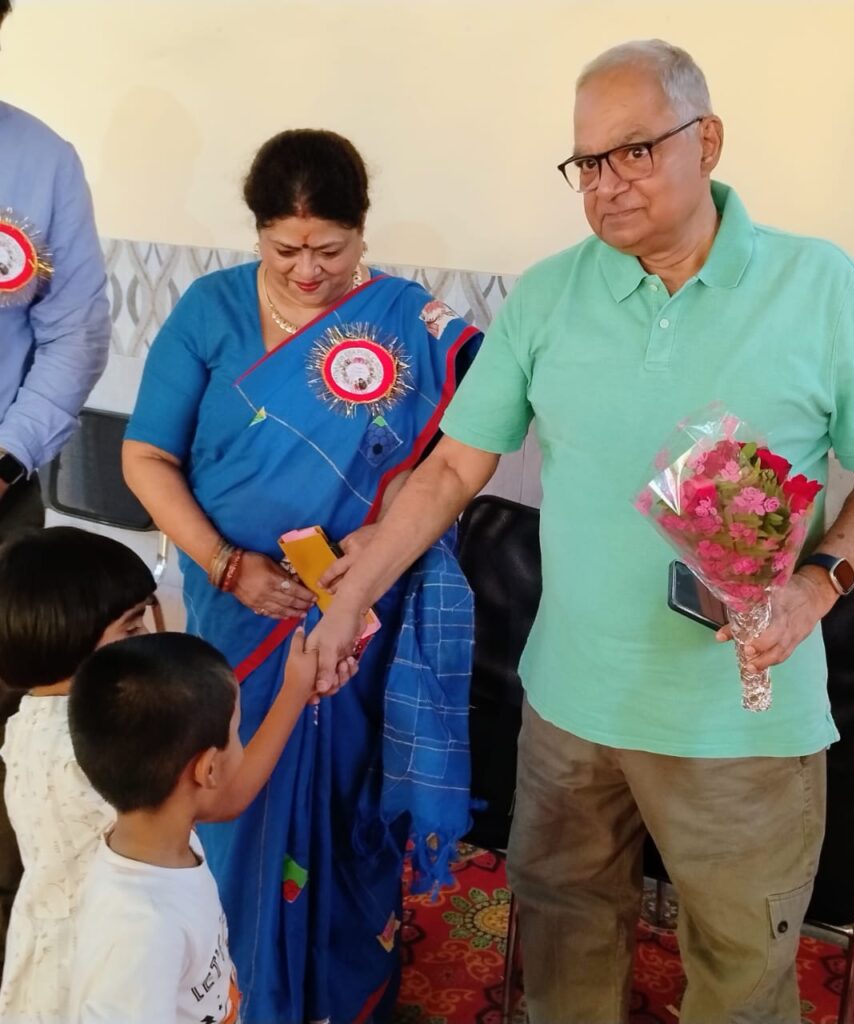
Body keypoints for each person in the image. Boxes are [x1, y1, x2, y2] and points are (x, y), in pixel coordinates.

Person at [308, 39, 854, 1024]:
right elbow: (450, 470)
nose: (608, 184)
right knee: (562, 966)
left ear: (708, 141)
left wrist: (818, 583)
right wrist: (352, 592)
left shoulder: (817, 285)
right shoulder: (551, 294)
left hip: (741, 727)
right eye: (588, 163)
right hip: (571, 712)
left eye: (635, 150)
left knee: (740, 982)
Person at [122, 129, 481, 1022]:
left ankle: (335, 986)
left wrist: (381, 538)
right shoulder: (210, 309)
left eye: (332, 249)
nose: (309, 270)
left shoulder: (408, 322)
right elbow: (145, 459)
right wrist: (226, 564)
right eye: (287, 250)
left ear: (363, 234)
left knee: (344, 801)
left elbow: (453, 460)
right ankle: (235, 986)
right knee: (230, 790)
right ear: (258, 234)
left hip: (352, 619)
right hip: (231, 610)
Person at [0, 0, 112, 964]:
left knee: (18, 734)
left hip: (1, 496)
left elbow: (73, 333)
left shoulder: (40, 162)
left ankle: (12, 931)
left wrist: (7, 453)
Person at [67, 629, 319, 1024]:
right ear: (208, 769)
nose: (240, 743)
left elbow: (232, 797)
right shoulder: (140, 932)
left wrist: (296, 688)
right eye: (237, 733)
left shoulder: (163, 839)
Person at [0, 528, 154, 1024]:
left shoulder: (28, 718)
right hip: (99, 956)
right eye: (132, 628)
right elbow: (215, 801)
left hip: (53, 942)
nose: (150, 638)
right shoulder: (92, 743)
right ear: (69, 634)